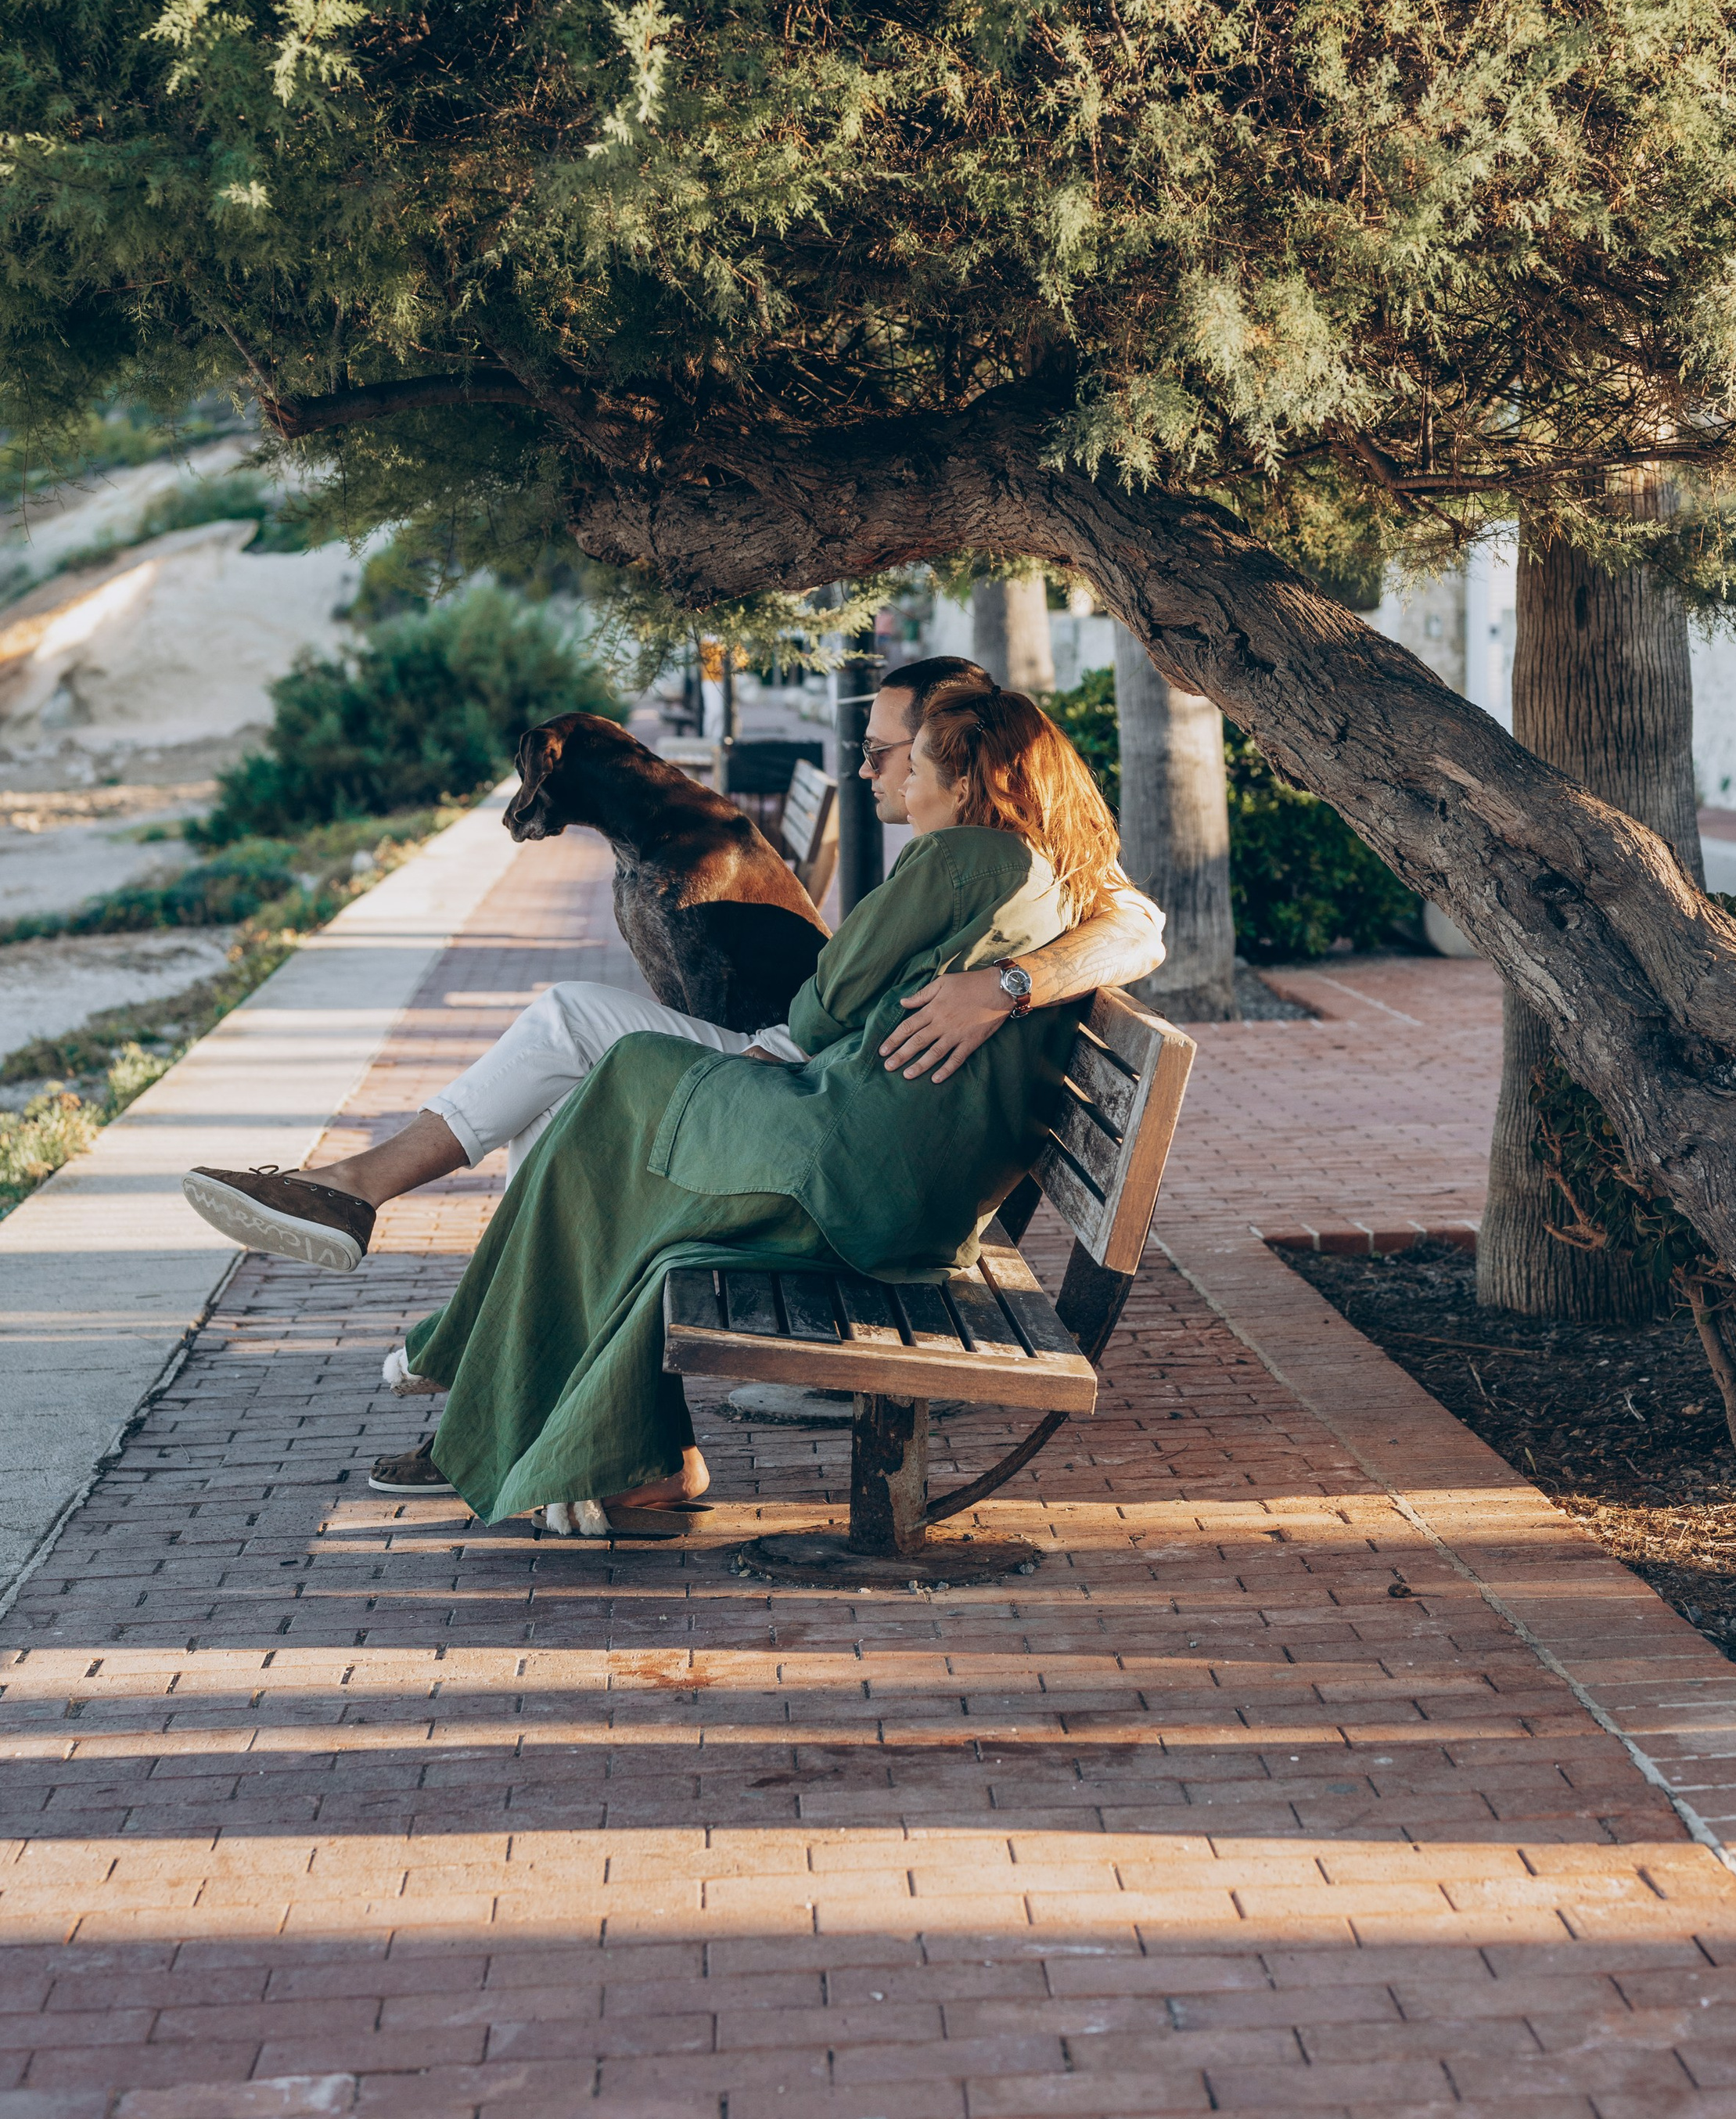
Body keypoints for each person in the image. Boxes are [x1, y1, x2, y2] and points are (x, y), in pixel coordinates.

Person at [311, 682, 1125, 1528]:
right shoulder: (1038, 868)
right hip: (898, 1178)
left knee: (620, 1086)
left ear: (963, 784)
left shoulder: (963, 854)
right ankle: (542, 1398)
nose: (890, 775)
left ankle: (490, 1361)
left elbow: (829, 996)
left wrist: (814, 1021)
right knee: (615, 1115)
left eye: (906, 762)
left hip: (852, 1168)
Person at [181, 655, 1164, 1276]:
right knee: (562, 1082)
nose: (873, 771)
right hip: (843, 1086)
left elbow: (1142, 928)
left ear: (959, 756)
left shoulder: (999, 856)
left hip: (823, 1098)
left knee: (567, 1024)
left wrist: (1006, 987)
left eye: (887, 753)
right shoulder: (1012, 854)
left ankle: (365, 1195)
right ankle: (471, 1319)